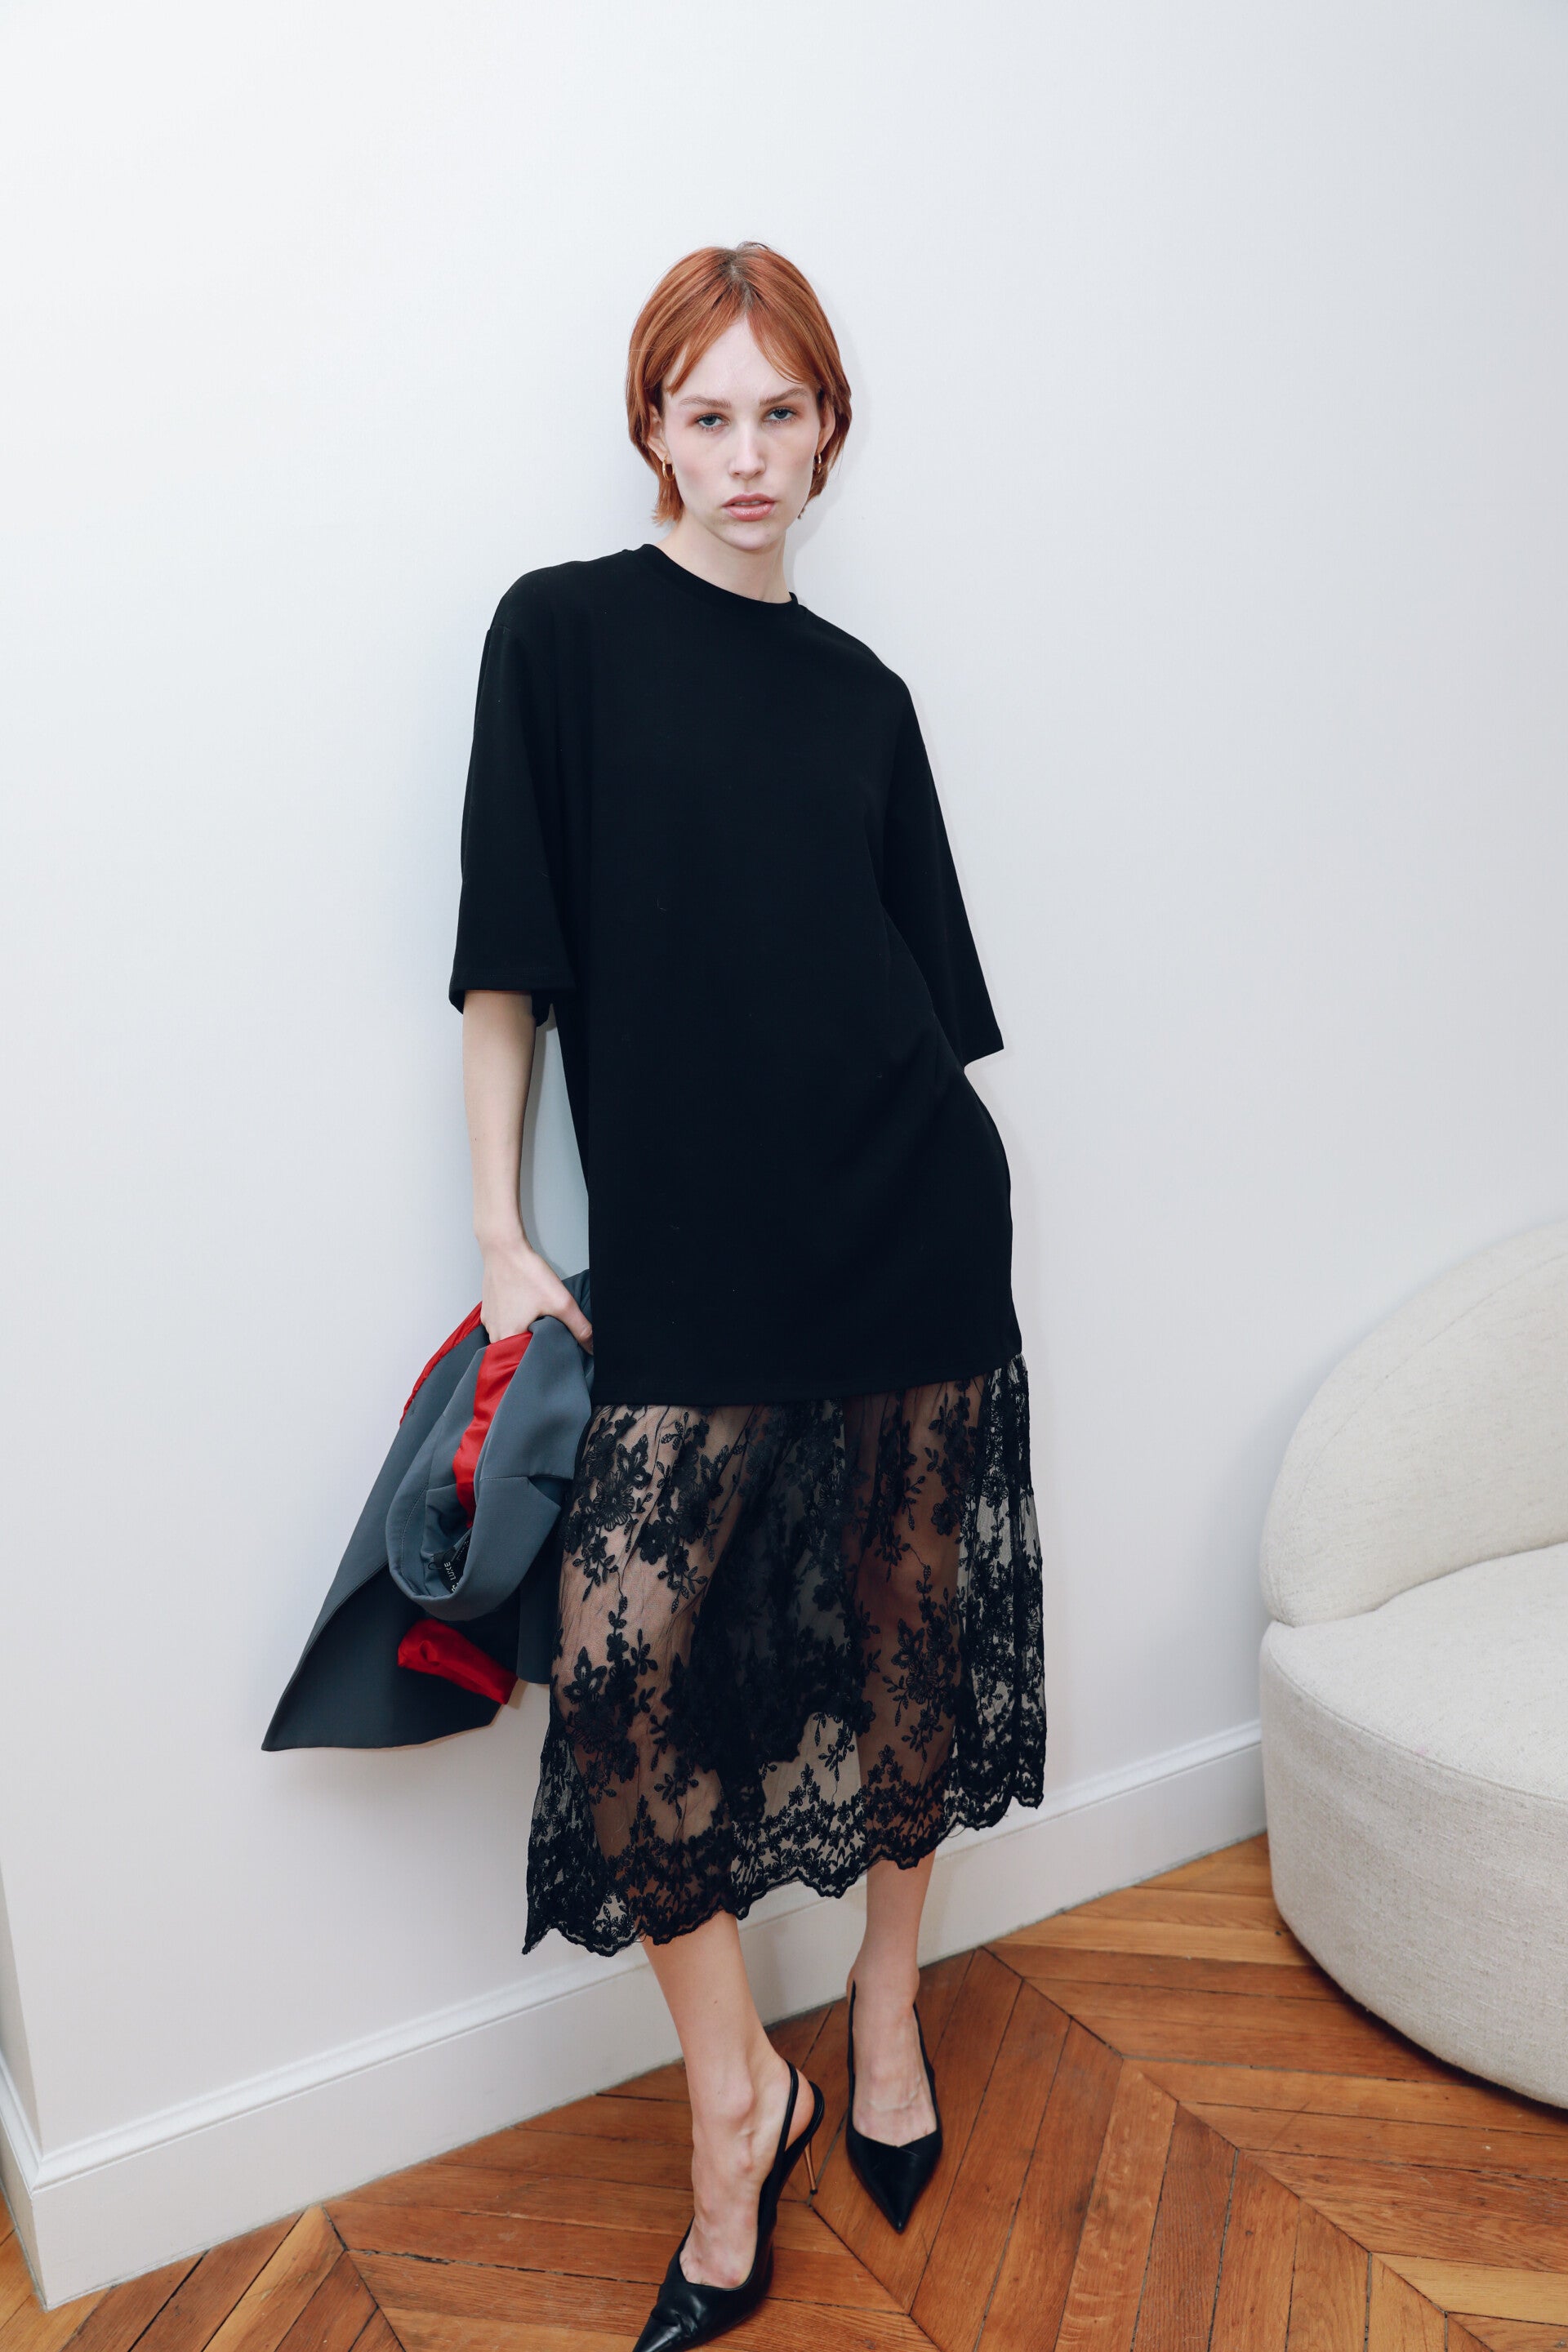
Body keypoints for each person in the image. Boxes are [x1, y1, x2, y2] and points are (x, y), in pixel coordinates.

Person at [450, 242, 1046, 2352]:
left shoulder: (867, 700)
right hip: (689, 1268)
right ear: (651, 429)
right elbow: (506, 964)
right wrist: (504, 1234)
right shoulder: (560, 636)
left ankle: (883, 2008)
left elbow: (926, 1004)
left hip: (906, 1235)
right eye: (707, 414)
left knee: (908, 1650)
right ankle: (738, 2091)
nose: (748, 455)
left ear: (830, 430)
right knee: (617, 1679)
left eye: (782, 412)